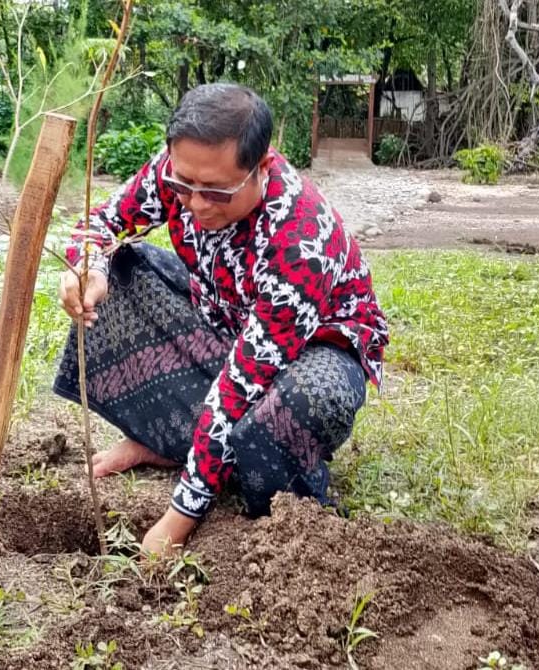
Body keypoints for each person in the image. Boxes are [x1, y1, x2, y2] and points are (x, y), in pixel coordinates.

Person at [56, 83, 388, 555]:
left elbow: (239, 387)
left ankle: (246, 464)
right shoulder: (180, 176)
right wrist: (88, 265)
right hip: (228, 322)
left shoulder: (300, 240)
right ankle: (170, 440)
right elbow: (102, 224)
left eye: (216, 191)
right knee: (122, 269)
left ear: (262, 167)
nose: (195, 203)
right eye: (182, 184)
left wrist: (177, 519)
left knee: (288, 413)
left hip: (314, 353)